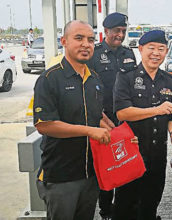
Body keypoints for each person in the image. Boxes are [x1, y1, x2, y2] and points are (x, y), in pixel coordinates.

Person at [33, 20, 111, 220]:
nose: (86, 44)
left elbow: (96, 116)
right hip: (61, 177)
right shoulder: (49, 79)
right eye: (79, 38)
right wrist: (89, 131)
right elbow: (45, 125)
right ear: (64, 41)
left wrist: (119, 136)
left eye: (91, 40)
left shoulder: (94, 79)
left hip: (90, 174)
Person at [113, 30, 172, 220]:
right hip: (130, 154)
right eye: (151, 48)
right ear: (141, 49)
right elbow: (122, 112)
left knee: (151, 204)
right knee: (125, 205)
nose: (156, 53)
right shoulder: (126, 76)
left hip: (157, 156)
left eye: (161, 49)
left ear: (166, 52)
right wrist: (157, 109)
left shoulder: (169, 80)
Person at [87, 12, 137, 220]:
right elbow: (88, 87)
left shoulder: (129, 54)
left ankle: (123, 209)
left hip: (124, 119)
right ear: (106, 31)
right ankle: (106, 211)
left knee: (124, 165)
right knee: (105, 167)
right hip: (103, 119)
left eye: (123, 31)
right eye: (116, 31)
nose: (120, 35)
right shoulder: (95, 54)